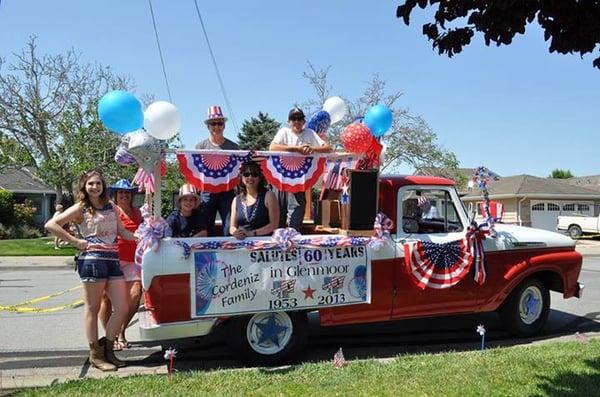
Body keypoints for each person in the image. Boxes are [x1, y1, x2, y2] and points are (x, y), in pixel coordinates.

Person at [45, 170, 135, 372]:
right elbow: (51, 224)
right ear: (84, 187)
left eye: (98, 183)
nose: (95, 187)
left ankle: (109, 349)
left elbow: (123, 232)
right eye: (90, 184)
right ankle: (95, 354)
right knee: (93, 309)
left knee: (122, 307)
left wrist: (142, 236)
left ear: (103, 186)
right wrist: (76, 242)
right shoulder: (81, 208)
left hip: (113, 260)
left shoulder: (111, 206)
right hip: (92, 261)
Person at [269, 107, 332, 232]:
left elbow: (328, 148)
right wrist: (296, 149)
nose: (296, 121)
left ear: (303, 121)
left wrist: (312, 149)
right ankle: (278, 242)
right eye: (293, 119)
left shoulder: (309, 133)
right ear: (289, 121)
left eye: (299, 118)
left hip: (298, 181)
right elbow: (272, 147)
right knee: (279, 215)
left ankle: (294, 239)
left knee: (297, 212)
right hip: (281, 180)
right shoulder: (284, 132)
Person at [99, 179, 142, 351]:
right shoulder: (110, 211)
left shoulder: (137, 212)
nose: (124, 195)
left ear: (131, 195)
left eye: (127, 192)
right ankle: (112, 336)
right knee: (106, 299)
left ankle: (121, 331)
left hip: (132, 260)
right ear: (115, 195)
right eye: (121, 192)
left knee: (135, 295)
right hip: (113, 258)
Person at [195, 105, 239, 236]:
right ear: (208, 126)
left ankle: (229, 254)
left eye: (219, 123)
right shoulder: (200, 146)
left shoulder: (233, 146)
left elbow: (238, 169)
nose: (216, 126)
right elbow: (195, 169)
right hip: (207, 191)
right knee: (206, 226)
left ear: (224, 125)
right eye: (213, 123)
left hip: (227, 191)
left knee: (229, 227)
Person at [229, 161, 279, 240]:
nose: (250, 177)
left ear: (260, 178)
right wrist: (236, 232)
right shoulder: (236, 200)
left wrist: (252, 233)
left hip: (265, 242)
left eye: (254, 174)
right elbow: (232, 227)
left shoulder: (269, 196)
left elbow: (274, 225)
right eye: (246, 174)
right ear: (242, 177)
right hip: (242, 241)